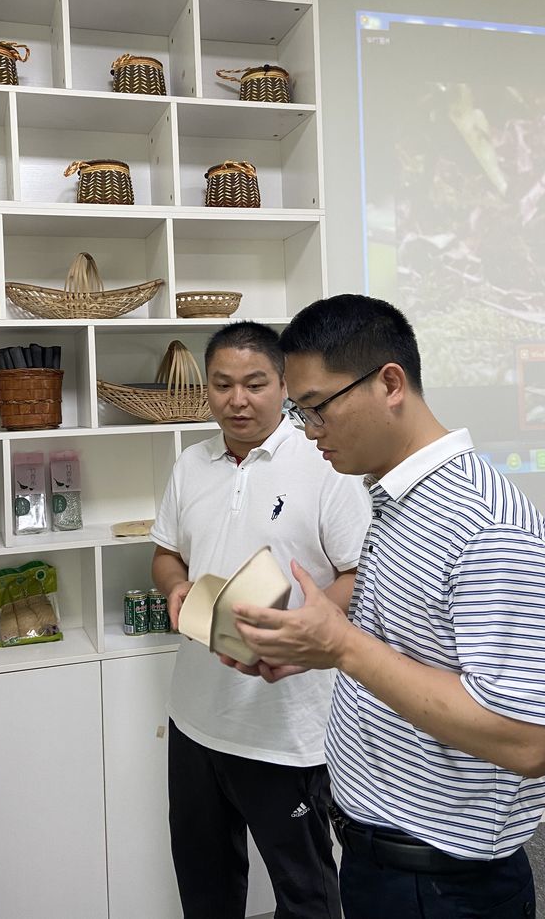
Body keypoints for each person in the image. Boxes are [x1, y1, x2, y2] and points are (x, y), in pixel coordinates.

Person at [226, 295, 545, 919]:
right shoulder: (395, 499)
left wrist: (342, 645)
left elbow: (527, 742)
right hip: (378, 856)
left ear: (389, 383)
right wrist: (312, 649)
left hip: (442, 885)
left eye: (318, 407)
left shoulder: (489, 526)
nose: (308, 430)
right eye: (300, 412)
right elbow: (406, 651)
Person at [151, 321, 370, 919]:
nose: (237, 400)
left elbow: (359, 572)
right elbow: (166, 553)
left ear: (284, 385)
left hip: (287, 726)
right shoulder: (191, 464)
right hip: (195, 716)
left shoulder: (324, 463)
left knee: (305, 893)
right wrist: (175, 587)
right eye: (222, 384)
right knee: (205, 887)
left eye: (255, 384)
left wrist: (301, 629)